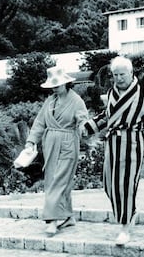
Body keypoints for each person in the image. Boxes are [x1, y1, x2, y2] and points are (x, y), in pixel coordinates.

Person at [84, 56, 144, 245]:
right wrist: (90, 126)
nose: (118, 78)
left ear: (131, 73)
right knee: (109, 185)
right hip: (112, 144)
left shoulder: (143, 95)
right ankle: (131, 211)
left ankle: (125, 227)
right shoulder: (111, 93)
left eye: (122, 74)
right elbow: (108, 115)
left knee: (125, 185)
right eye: (115, 75)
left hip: (132, 144)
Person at [24, 65, 89, 235]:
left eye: (58, 85)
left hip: (68, 144)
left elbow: (83, 120)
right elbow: (39, 123)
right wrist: (31, 142)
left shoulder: (76, 101)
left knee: (58, 182)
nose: (55, 88)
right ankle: (68, 217)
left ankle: (52, 219)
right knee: (54, 180)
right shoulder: (50, 101)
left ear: (67, 83)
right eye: (53, 86)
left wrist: (85, 129)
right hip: (50, 145)